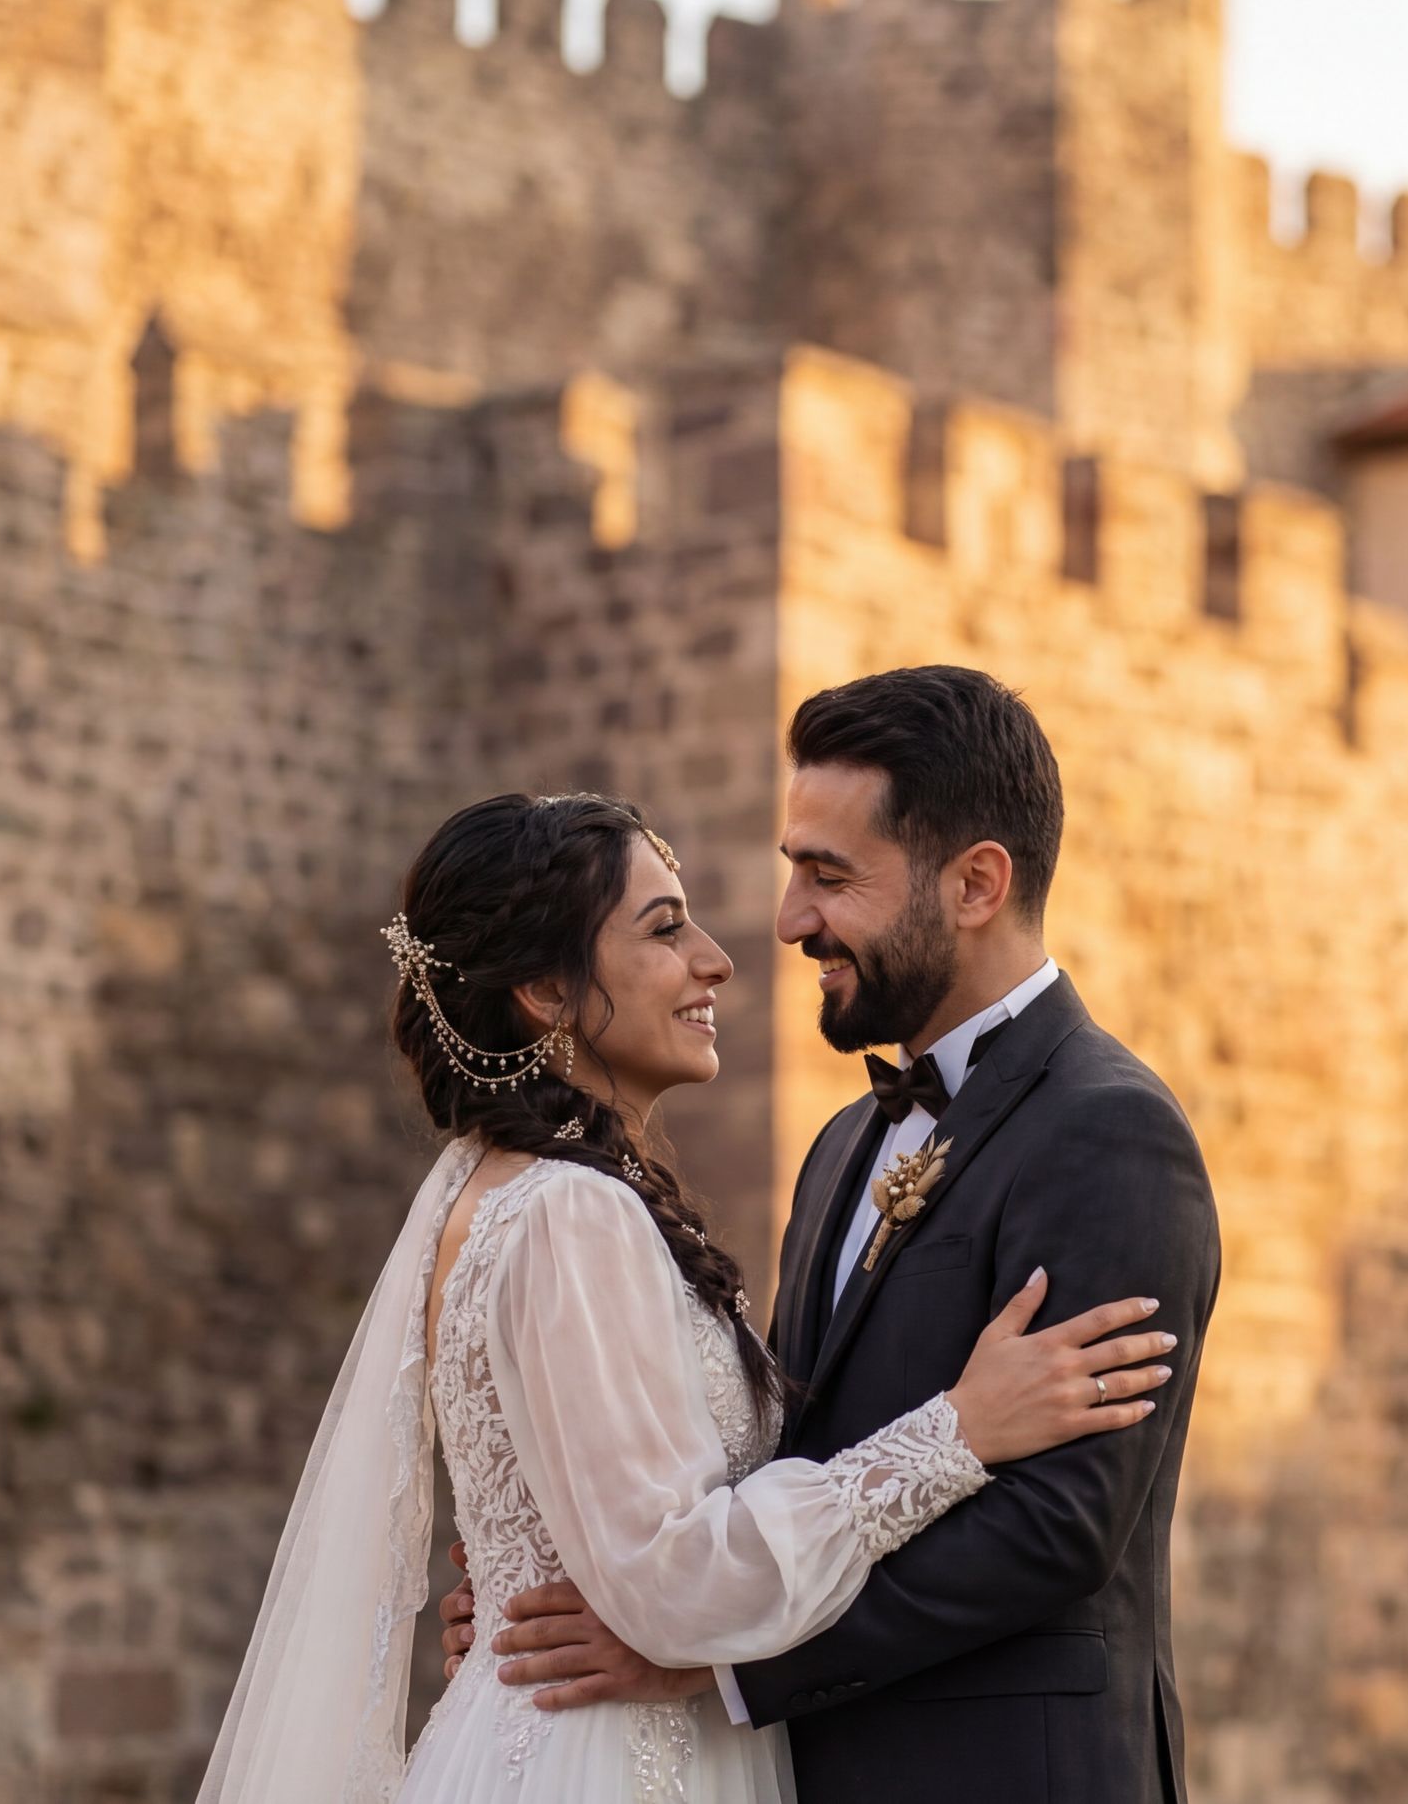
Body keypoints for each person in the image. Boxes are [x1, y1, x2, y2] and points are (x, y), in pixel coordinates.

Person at [196, 791, 1176, 1804]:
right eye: (665, 931)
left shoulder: (507, 1192)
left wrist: (529, 1581)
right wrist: (959, 1430)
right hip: (608, 1760)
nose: (719, 957)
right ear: (544, 988)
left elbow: (618, 1528)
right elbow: (675, 1580)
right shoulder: (570, 1211)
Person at [448, 667, 1222, 1804]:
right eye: (792, 871)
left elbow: (1060, 1527)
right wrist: (581, 1571)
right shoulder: (840, 1145)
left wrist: (710, 1664)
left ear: (975, 884)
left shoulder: (1111, 1131)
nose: (787, 921)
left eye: (830, 876)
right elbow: (783, 1462)